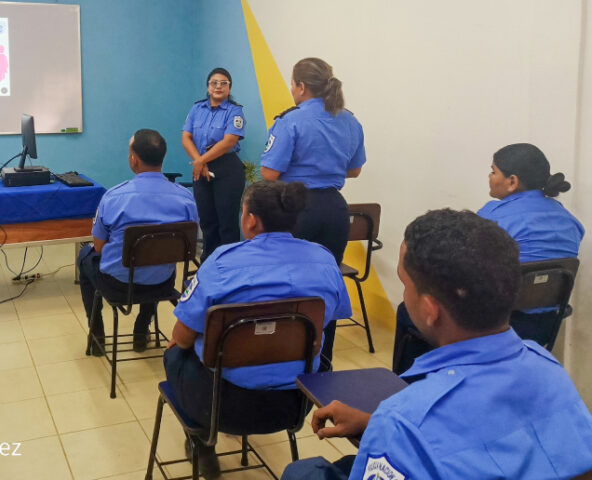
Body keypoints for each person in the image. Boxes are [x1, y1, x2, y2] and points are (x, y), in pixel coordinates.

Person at [283, 209, 592, 480]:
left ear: (430, 310)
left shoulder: (404, 420)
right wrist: (374, 423)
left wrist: (388, 428)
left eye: (406, 285)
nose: (405, 295)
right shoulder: (550, 370)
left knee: (301, 471)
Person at [164, 181, 352, 479]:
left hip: (220, 406)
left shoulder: (222, 262)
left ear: (250, 219)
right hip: (295, 404)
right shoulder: (324, 260)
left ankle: (202, 441)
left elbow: (183, 336)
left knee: (174, 351)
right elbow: (332, 317)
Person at [393, 143, 585, 373]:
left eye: (494, 171)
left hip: (494, 328)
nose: (490, 176)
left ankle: (406, 384)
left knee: (410, 309)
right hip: (543, 327)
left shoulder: (495, 215)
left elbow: (462, 259)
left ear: (512, 182)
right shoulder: (570, 221)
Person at [260, 57, 366, 369]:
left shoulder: (290, 122)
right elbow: (355, 170)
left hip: (296, 208)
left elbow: (268, 172)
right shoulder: (349, 120)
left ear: (301, 87)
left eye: (292, 83)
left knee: (285, 281)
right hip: (335, 210)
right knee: (326, 281)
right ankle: (323, 356)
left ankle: (284, 355)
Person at [79, 129, 198, 354]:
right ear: (162, 159)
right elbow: (189, 245)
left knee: (84, 256)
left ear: (133, 159)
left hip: (118, 286)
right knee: (156, 258)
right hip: (163, 283)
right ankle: (141, 332)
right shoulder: (186, 198)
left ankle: (97, 337)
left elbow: (99, 247)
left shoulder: (114, 197)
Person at [182, 67, 246, 260]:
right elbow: (186, 137)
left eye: (223, 83)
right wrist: (200, 162)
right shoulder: (196, 109)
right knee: (207, 221)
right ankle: (208, 264)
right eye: (214, 83)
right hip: (201, 168)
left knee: (226, 223)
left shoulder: (235, 111)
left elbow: (229, 141)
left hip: (226, 168)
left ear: (229, 87)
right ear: (208, 87)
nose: (218, 86)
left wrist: (200, 161)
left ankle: (228, 265)